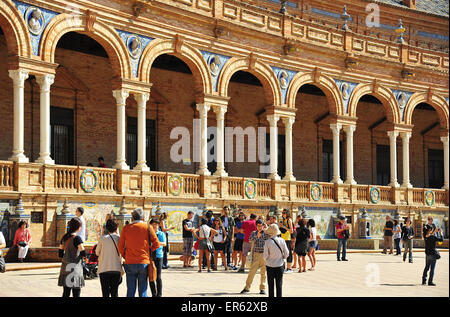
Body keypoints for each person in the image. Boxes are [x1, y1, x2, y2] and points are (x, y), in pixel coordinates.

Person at [118, 208, 160, 297]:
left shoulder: (126, 228)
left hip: (130, 262)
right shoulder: (148, 227)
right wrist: (148, 252)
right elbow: (157, 244)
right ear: (143, 217)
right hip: (143, 262)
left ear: (132, 217)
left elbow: (120, 246)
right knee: (143, 290)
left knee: (130, 290)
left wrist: (126, 256)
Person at [58, 218, 85, 297]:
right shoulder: (77, 238)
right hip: (75, 268)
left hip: (66, 267)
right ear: (78, 227)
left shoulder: (64, 238)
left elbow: (60, 253)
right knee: (76, 292)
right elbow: (83, 252)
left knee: (66, 292)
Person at [241, 219, 268, 295]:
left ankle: (262, 288)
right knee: (252, 272)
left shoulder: (266, 234)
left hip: (264, 255)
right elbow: (250, 240)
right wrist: (257, 236)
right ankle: (247, 287)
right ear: (256, 226)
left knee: (263, 273)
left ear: (263, 226)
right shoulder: (253, 233)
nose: (260, 227)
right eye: (258, 226)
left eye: (261, 226)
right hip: (256, 254)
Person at [96, 219, 122, 297]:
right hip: (116, 269)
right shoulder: (119, 238)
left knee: (105, 293)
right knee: (115, 292)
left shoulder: (102, 238)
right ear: (117, 227)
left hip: (104, 269)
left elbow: (97, 252)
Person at [263, 224, 289, 297]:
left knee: (270, 285)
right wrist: (282, 257)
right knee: (279, 285)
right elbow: (287, 253)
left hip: (270, 265)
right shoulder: (282, 240)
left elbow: (265, 256)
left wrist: (267, 260)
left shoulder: (267, 242)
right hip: (280, 265)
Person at [150, 219, 166, 297]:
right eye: (153, 224)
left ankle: (159, 294)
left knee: (158, 276)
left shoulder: (161, 234)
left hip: (159, 255)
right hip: (150, 256)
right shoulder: (148, 233)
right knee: (151, 275)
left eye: (156, 224)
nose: (155, 226)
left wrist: (156, 242)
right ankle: (154, 293)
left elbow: (164, 243)